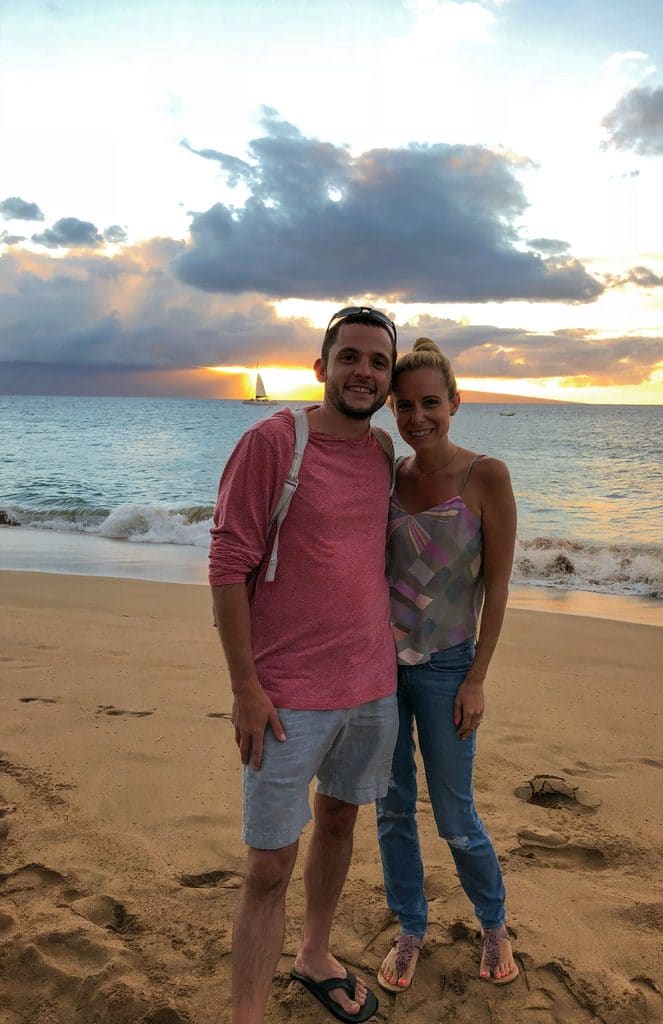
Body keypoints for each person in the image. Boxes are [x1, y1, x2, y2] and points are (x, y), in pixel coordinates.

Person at [209, 307, 400, 1024]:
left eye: (378, 362)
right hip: (285, 695)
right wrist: (244, 688)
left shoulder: (383, 454)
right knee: (267, 867)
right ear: (321, 368)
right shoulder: (271, 443)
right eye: (349, 357)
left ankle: (315, 951)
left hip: (372, 686)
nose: (364, 372)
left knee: (341, 820)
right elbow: (228, 565)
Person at [375, 337, 519, 993]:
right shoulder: (388, 474)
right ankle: (411, 927)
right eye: (404, 406)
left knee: (456, 814)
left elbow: (497, 586)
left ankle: (493, 923)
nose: (416, 417)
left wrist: (477, 677)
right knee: (392, 807)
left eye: (430, 402)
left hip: (447, 668)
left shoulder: (486, 476)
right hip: (379, 669)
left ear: (454, 403)